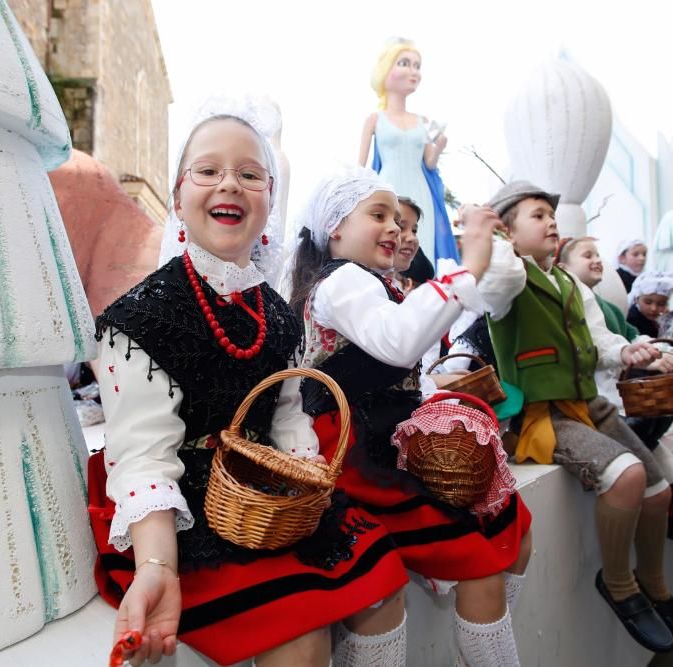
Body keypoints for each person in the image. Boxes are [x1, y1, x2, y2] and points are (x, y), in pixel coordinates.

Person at [87, 104, 408, 666]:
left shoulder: (278, 316)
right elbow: (142, 457)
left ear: (269, 197)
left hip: (267, 498)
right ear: (180, 193)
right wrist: (157, 566)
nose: (229, 183)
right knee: (303, 636)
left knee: (383, 584)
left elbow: (287, 416)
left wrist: (306, 477)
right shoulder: (138, 320)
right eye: (208, 170)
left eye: (250, 174)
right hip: (185, 512)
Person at [290, 165, 532, 666]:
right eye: (379, 215)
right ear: (335, 227)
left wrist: (481, 246)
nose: (396, 229)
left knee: (511, 525)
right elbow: (398, 342)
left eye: (399, 221)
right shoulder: (341, 283)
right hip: (356, 454)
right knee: (469, 564)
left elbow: (489, 294)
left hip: (390, 443)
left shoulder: (379, 284)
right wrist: (468, 265)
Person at [482, 181, 673, 654]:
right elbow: (494, 281)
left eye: (552, 215)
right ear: (508, 231)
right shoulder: (508, 277)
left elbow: (601, 341)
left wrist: (631, 350)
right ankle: (619, 584)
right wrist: (494, 241)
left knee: (659, 491)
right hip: (541, 413)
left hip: (586, 403)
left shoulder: (568, 282)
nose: (551, 222)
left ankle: (655, 583)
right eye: (537, 215)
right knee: (627, 476)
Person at [558, 238, 673, 560]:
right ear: (562, 268)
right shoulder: (562, 307)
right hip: (602, 397)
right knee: (659, 454)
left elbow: (632, 337)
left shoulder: (607, 308)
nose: (598, 261)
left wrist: (663, 351)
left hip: (621, 390)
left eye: (599, 254)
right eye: (587, 255)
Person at [358, 38, 458, 263]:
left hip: (420, 191)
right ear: (385, 69)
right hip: (388, 189)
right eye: (404, 63)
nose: (413, 71)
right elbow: (360, 167)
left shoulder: (423, 121)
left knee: (419, 241)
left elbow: (429, 163)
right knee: (389, 241)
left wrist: (440, 146)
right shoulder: (375, 119)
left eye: (417, 65)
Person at [626, 271, 673, 339]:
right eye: (648, 302)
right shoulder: (631, 320)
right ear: (636, 299)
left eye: (661, 304)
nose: (654, 308)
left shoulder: (659, 320)